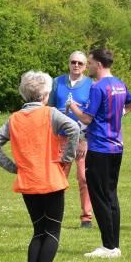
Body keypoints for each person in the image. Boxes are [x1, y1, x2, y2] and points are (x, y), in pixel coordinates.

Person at [0, 71, 81, 262]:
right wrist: (67, 157)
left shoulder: (14, 119)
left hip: (28, 181)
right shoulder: (51, 114)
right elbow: (75, 128)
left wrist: (13, 167)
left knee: (38, 230)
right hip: (51, 180)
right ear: (45, 94)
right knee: (52, 231)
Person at [68, 48, 131, 258]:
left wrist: (72, 107)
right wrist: (115, 115)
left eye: (89, 63)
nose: (87, 66)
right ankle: (114, 244)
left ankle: (108, 247)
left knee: (99, 197)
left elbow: (87, 119)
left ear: (98, 64)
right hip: (117, 147)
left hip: (99, 148)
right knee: (111, 195)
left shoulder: (98, 87)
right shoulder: (119, 84)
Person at [48, 51, 94, 228]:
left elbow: (91, 115)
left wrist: (85, 139)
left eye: (80, 63)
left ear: (85, 66)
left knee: (84, 178)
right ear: (69, 63)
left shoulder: (91, 85)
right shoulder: (57, 82)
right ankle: (54, 216)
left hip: (82, 138)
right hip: (61, 137)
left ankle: (86, 217)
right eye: (73, 62)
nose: (76, 65)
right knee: (59, 178)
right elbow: (49, 110)